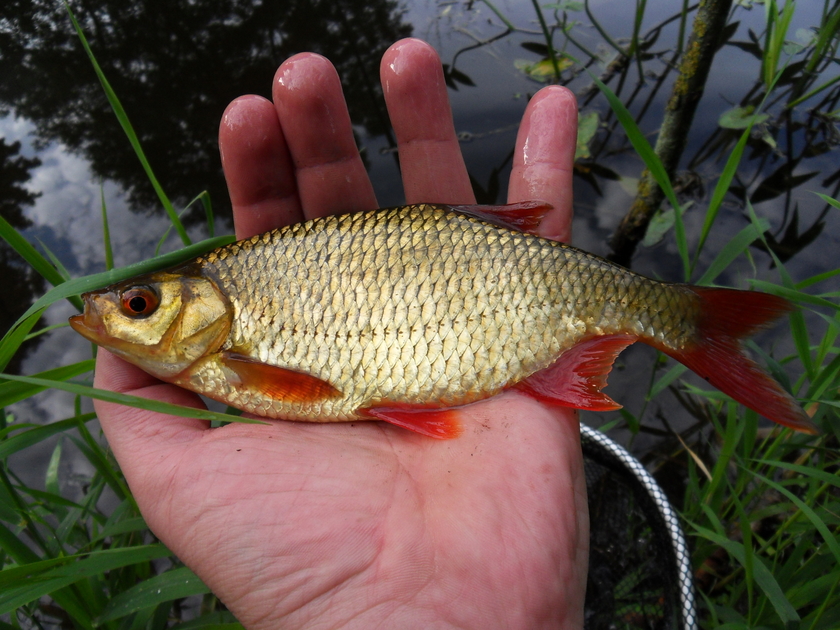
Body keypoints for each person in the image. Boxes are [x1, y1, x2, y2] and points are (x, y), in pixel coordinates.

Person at [94, 38, 587, 629]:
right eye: (139, 305)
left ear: (200, 303)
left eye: (140, 304)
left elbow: (309, 392)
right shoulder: (226, 324)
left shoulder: (225, 352)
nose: (120, 317)